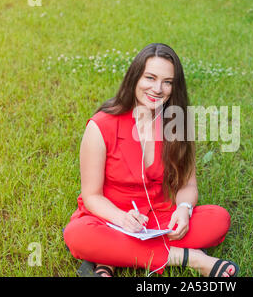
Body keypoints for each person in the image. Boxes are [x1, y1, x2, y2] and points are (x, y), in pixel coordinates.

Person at [63, 43, 239, 277]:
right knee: (77, 234)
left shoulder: (178, 124)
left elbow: (188, 185)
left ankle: (108, 259)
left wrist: (184, 209)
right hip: (110, 217)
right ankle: (188, 258)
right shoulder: (101, 125)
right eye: (150, 77)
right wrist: (122, 218)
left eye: (167, 82)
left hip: (159, 219)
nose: (158, 88)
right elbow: (92, 196)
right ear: (135, 77)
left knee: (217, 219)